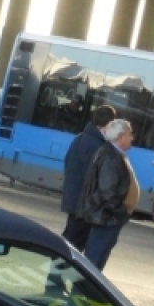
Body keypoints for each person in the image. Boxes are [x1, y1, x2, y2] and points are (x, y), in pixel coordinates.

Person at [77, 119, 139, 271]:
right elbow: (108, 191)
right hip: (106, 217)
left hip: (107, 216)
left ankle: (87, 289)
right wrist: (120, 212)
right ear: (120, 136)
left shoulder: (114, 154)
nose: (132, 138)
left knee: (97, 257)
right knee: (95, 259)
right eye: (129, 134)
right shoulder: (111, 157)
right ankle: (85, 290)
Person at [60, 104, 117, 250]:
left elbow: (67, 162)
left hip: (75, 200)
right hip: (84, 205)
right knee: (73, 246)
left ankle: (58, 270)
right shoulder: (98, 146)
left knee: (70, 240)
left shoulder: (80, 138)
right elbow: (96, 177)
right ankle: (58, 272)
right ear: (108, 125)